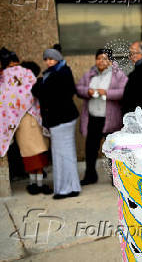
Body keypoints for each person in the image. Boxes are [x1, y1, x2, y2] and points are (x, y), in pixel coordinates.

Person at [0, 48, 51, 195]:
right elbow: (35, 91)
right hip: (34, 117)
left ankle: (33, 184)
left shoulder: (4, 76)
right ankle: (39, 184)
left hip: (19, 121)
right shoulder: (26, 73)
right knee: (39, 153)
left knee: (28, 154)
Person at [32, 48, 81, 199]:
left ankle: (65, 189)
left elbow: (41, 92)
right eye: (46, 59)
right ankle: (72, 187)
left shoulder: (60, 73)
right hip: (63, 119)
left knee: (61, 155)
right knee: (66, 154)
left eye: (51, 59)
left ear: (58, 59)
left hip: (61, 120)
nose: (48, 62)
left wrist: (40, 83)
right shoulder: (59, 71)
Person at [76, 49, 128, 185]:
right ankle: (90, 176)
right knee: (91, 148)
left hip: (110, 119)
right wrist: (88, 91)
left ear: (110, 61)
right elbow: (79, 88)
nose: (101, 61)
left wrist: (106, 92)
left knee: (113, 150)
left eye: (104, 58)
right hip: (93, 118)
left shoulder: (118, 75)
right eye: (98, 58)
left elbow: (124, 91)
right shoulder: (90, 74)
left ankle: (116, 179)